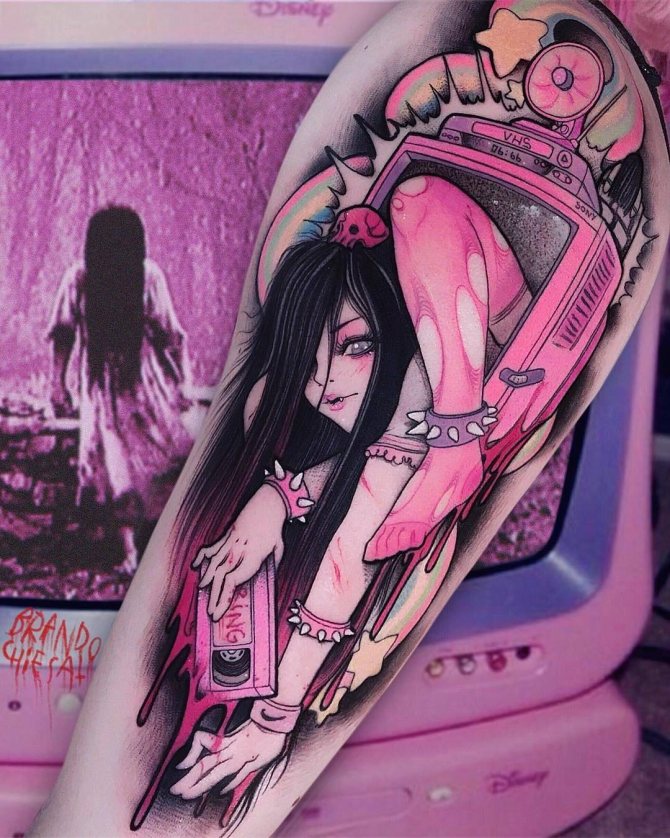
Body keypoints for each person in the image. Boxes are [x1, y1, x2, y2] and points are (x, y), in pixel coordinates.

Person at [48, 206, 194, 574]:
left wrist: (183, 385)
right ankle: (129, 550)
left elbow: (172, 337)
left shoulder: (147, 277)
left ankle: (161, 541)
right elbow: (63, 334)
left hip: (146, 386)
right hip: (102, 390)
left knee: (164, 456)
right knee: (114, 463)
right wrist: (57, 385)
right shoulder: (80, 279)